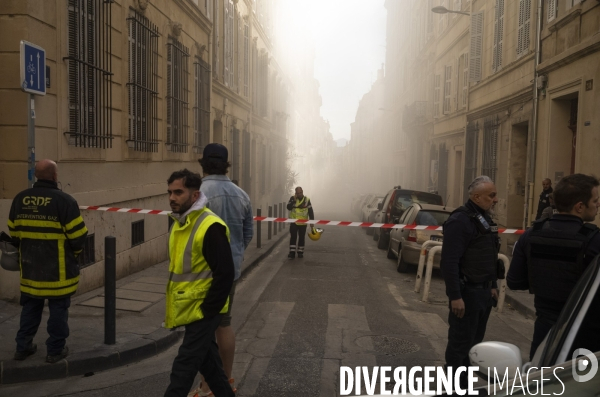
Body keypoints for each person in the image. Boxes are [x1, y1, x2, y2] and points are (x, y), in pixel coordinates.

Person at [507, 173, 600, 359]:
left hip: (544, 333)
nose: (598, 205)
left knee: (541, 383)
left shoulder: (530, 235)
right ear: (580, 206)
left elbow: (515, 282)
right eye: (596, 200)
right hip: (585, 337)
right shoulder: (594, 240)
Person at [8, 159, 88, 363]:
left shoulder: (20, 199)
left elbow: (14, 233)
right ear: (55, 176)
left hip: (30, 269)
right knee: (58, 311)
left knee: (30, 308)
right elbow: (78, 237)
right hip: (58, 271)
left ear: (36, 176)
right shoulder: (65, 201)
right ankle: (54, 351)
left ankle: (22, 347)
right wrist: (74, 255)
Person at [164, 169, 235, 397]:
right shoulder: (178, 223)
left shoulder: (210, 226)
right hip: (190, 308)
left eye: (178, 192)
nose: (172, 198)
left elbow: (225, 274)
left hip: (204, 310)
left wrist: (208, 311)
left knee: (183, 367)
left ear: (195, 196)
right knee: (212, 368)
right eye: (170, 192)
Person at [191, 143, 253, 396]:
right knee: (224, 324)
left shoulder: (197, 195)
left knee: (204, 329)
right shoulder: (242, 195)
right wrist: (233, 255)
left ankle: (206, 388)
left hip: (202, 273)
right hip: (230, 273)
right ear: (227, 165)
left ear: (203, 164)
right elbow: (248, 234)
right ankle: (226, 382)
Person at [440, 175, 500, 389]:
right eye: (491, 195)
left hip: (483, 294)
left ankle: (464, 388)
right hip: (467, 294)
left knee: (474, 348)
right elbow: (449, 261)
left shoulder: (483, 218)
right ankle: (452, 390)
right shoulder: (460, 220)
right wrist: (455, 296)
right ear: (476, 196)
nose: (495, 199)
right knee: (459, 348)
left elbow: (489, 254)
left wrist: (492, 285)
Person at [286, 186, 314, 259]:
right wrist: (294, 201)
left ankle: (300, 252)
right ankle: (292, 253)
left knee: (301, 238)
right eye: (298, 193)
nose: (299, 194)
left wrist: (312, 221)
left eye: (300, 192)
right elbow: (288, 207)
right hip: (294, 222)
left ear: (302, 192)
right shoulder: (292, 199)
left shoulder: (307, 200)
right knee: (293, 237)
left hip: (303, 223)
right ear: (296, 193)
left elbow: (310, 211)